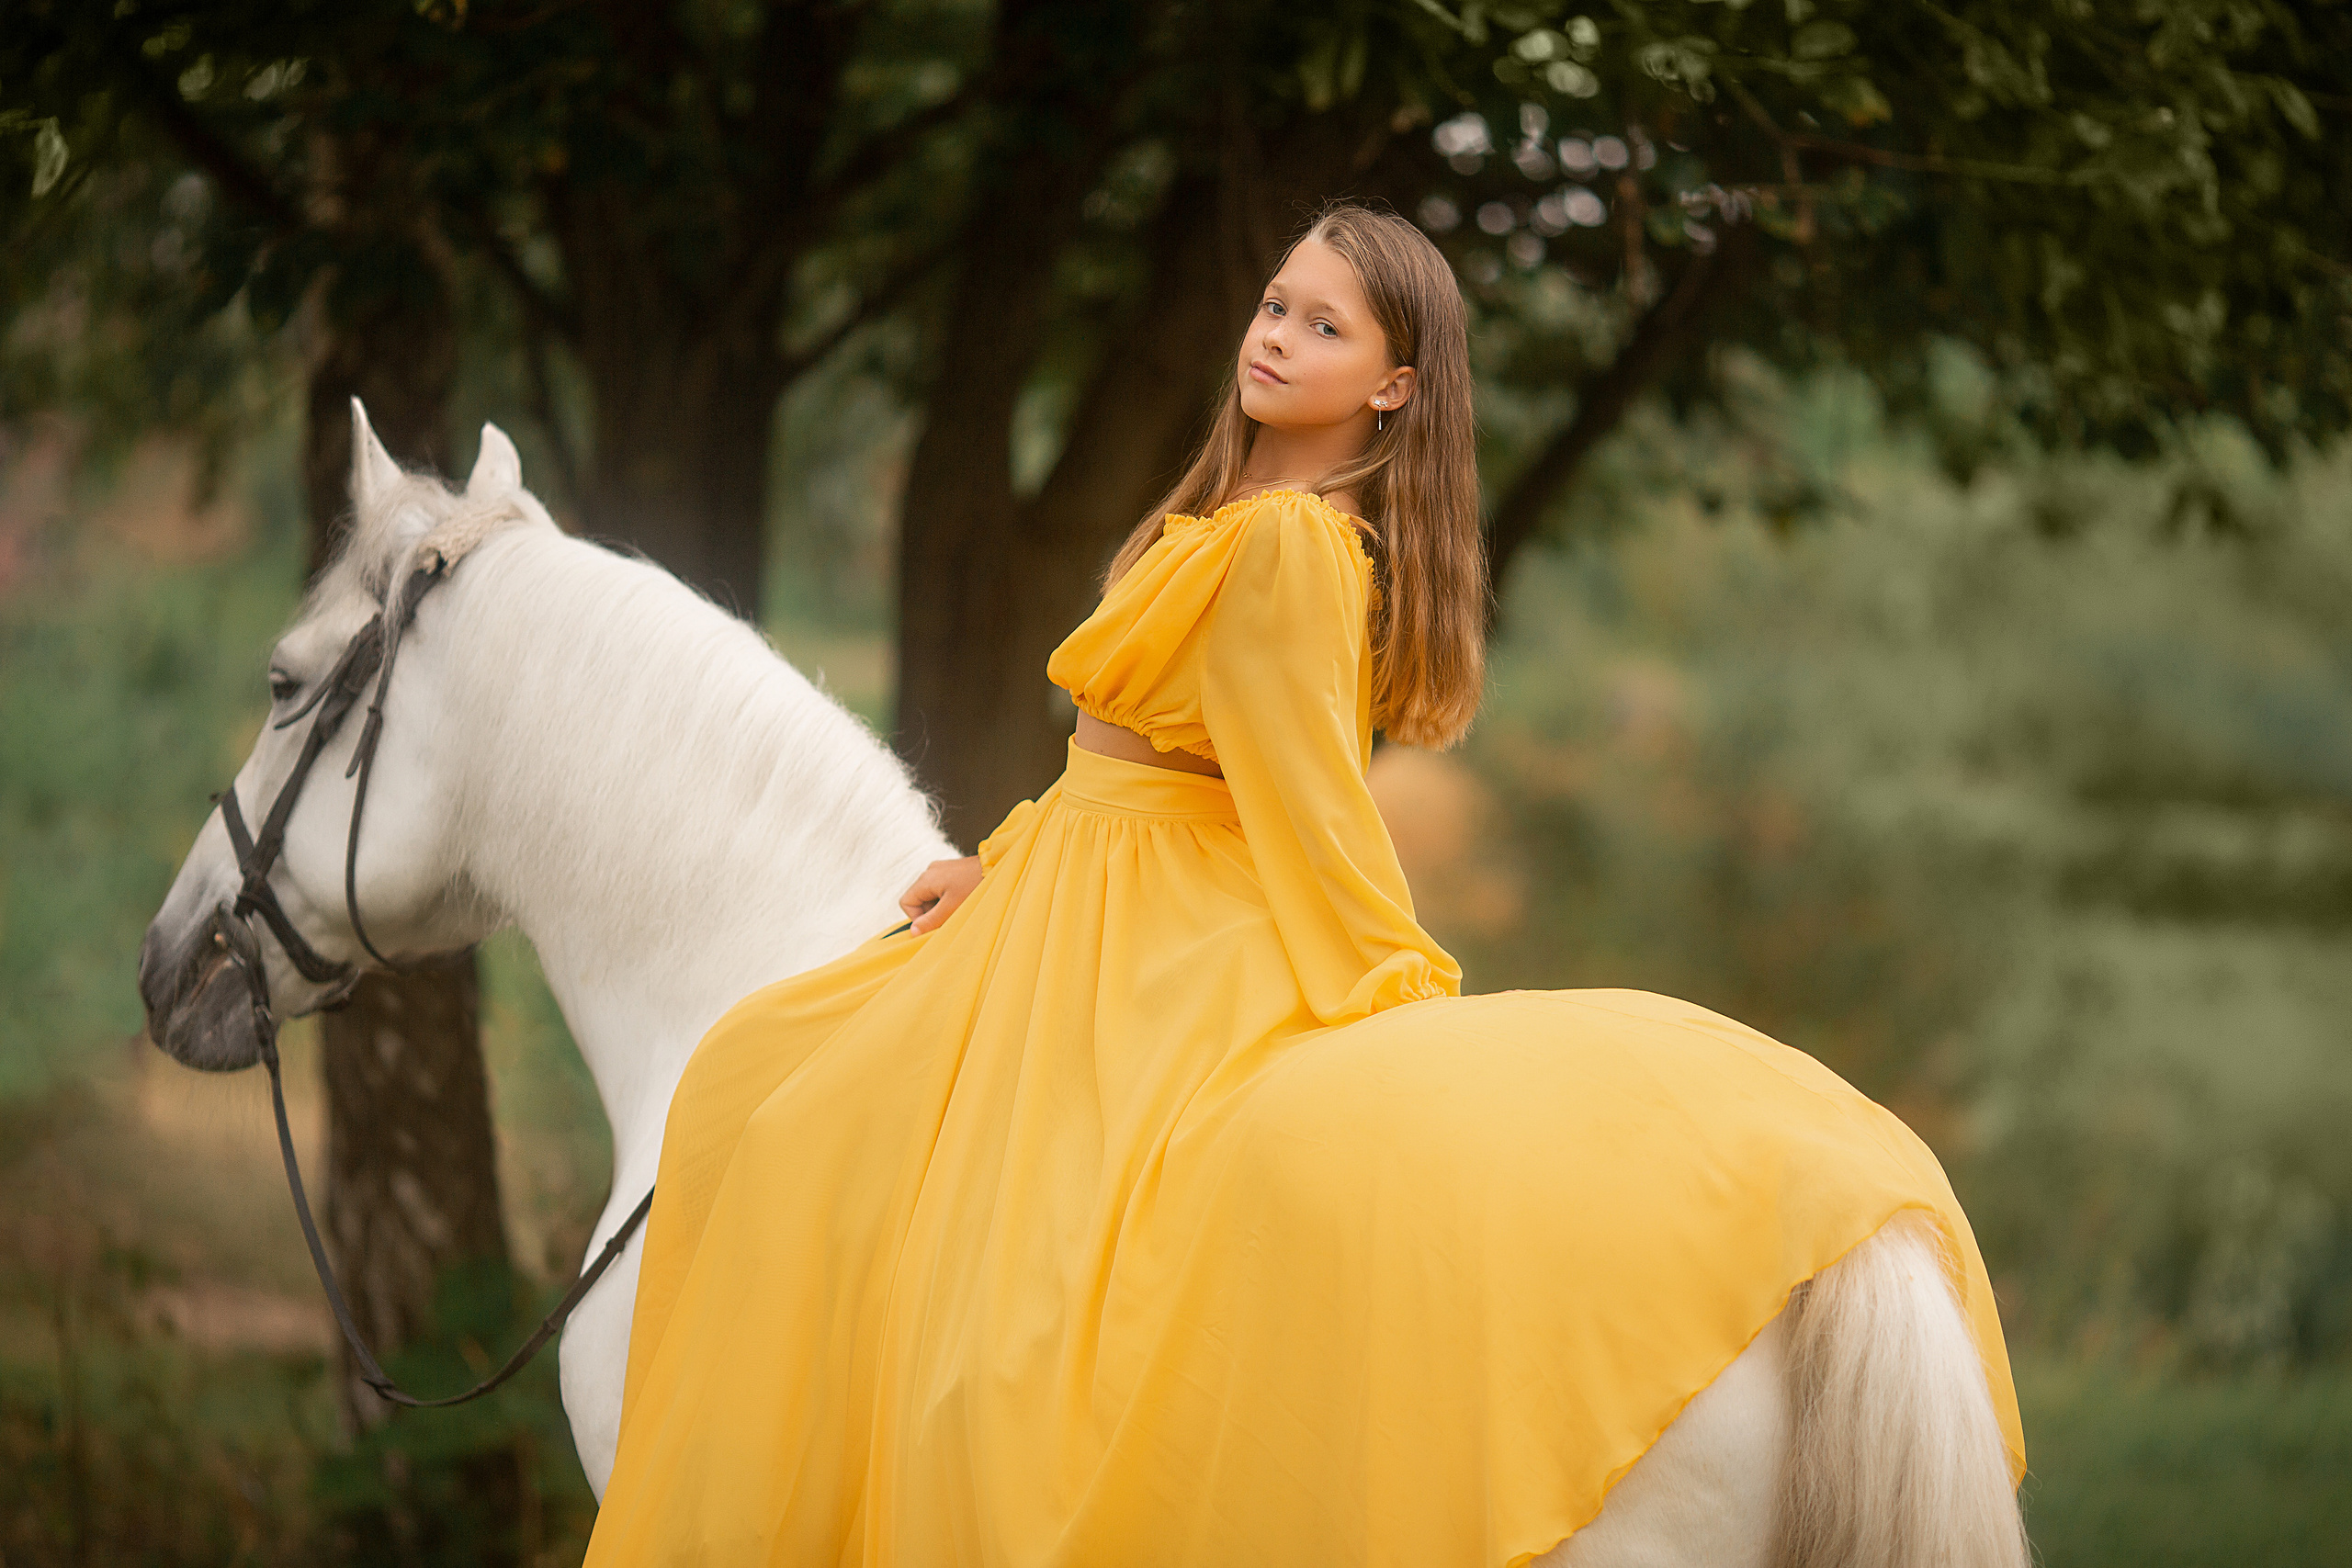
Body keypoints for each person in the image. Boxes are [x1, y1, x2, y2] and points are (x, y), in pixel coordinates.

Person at [582, 203, 2023, 1565]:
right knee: (799, 1088)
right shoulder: (1241, 512)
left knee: (838, 1146)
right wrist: (1004, 863)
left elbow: (1306, 802)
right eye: (1276, 305)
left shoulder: (1284, 543)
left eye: (1324, 329)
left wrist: (1395, 978)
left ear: (1395, 388)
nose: (1275, 336)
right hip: (1077, 885)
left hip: (1148, 936)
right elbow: (1144, 770)